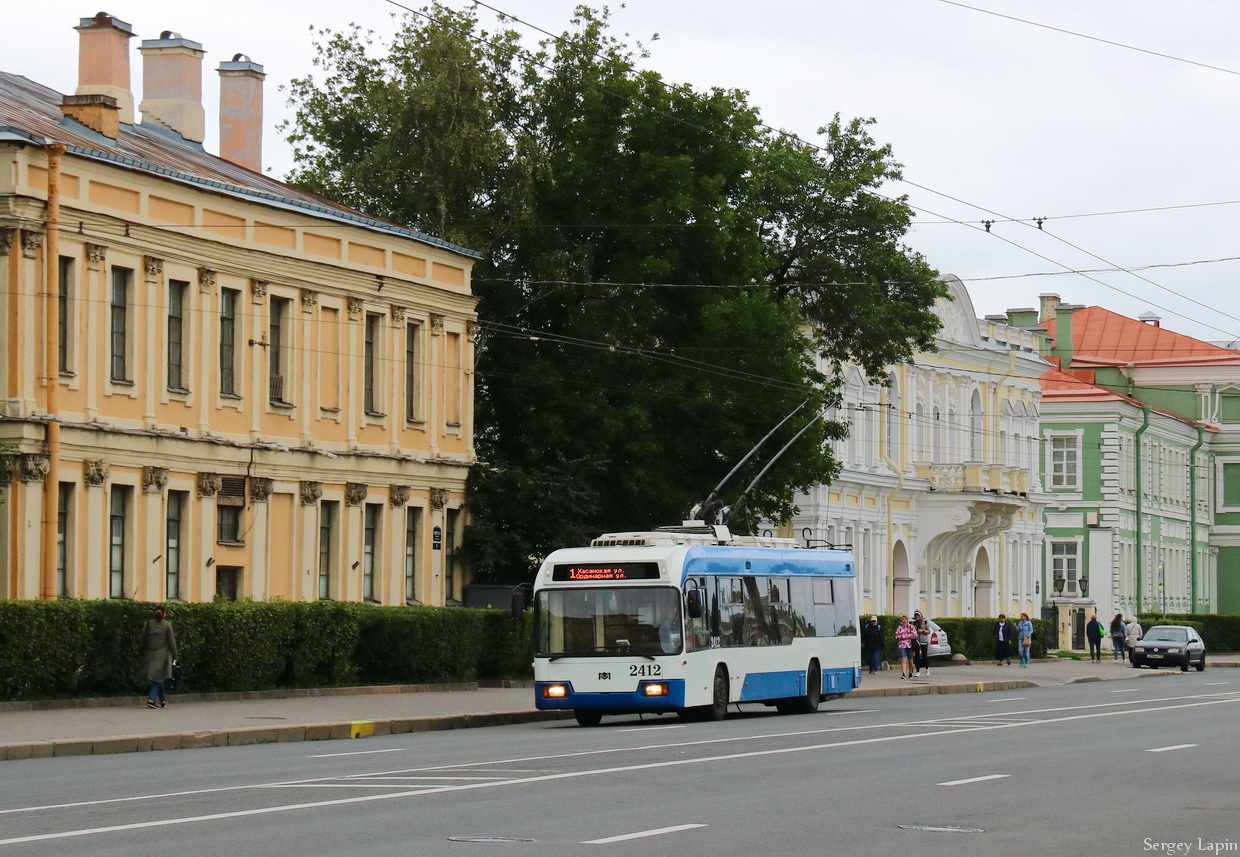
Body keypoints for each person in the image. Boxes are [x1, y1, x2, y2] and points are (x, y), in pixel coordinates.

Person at [137, 606, 178, 709]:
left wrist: (141, 650)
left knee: (159, 677)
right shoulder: (168, 625)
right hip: (162, 655)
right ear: (164, 614)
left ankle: (163, 700)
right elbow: (172, 642)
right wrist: (175, 654)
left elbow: (142, 638)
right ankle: (151, 699)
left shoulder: (149, 624)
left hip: (150, 654)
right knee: (158, 679)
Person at [895, 615, 918, 679]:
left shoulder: (911, 627)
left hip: (910, 645)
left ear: (907, 620)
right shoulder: (899, 627)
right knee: (903, 658)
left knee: (910, 659)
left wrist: (908, 636)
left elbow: (915, 635)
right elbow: (897, 636)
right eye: (903, 619)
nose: (904, 621)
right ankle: (904, 673)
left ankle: (910, 672)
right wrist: (903, 636)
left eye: (905, 619)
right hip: (902, 645)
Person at [913, 611, 931, 678]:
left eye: (918, 616)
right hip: (917, 641)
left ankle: (927, 668)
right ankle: (918, 671)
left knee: (924, 656)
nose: (917, 618)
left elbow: (928, 631)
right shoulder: (914, 623)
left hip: (924, 641)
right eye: (916, 616)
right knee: (917, 656)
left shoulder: (925, 622)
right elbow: (913, 631)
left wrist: (923, 631)